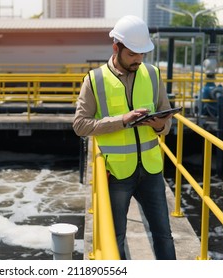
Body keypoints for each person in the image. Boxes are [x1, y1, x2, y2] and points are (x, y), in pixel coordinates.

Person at [73, 15, 176, 260]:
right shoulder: (94, 80)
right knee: (115, 237)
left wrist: (161, 124)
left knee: (164, 235)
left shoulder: (152, 74)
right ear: (116, 48)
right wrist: (122, 120)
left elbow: (167, 120)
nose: (138, 60)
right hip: (117, 173)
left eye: (142, 55)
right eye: (132, 54)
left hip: (151, 170)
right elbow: (79, 125)